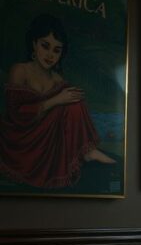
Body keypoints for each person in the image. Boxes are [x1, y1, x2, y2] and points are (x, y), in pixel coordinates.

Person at [0, 14, 115, 189]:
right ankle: (87, 152)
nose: (50, 55)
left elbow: (69, 108)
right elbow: (16, 114)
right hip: (20, 138)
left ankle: (88, 152)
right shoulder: (20, 70)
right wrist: (55, 100)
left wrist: (64, 99)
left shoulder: (56, 79)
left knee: (74, 100)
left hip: (45, 137)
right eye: (45, 46)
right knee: (65, 99)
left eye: (56, 50)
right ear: (34, 44)